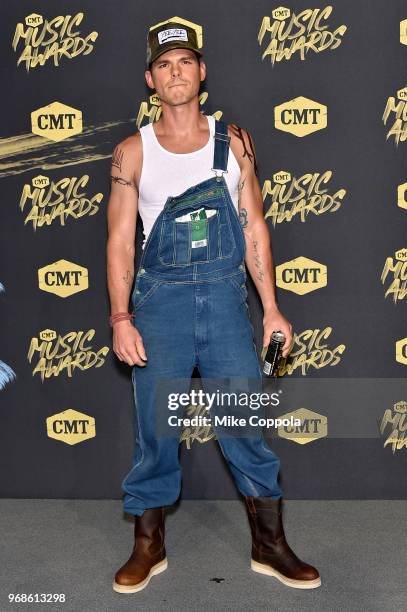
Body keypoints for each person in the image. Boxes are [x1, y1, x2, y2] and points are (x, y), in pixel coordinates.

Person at [106, 18, 321, 594]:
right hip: (159, 304)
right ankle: (149, 545)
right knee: (156, 431)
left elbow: (253, 226)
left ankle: (269, 545)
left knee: (243, 423)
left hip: (225, 300)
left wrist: (271, 308)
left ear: (201, 72)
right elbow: (121, 241)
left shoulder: (237, 143)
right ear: (150, 79)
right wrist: (121, 318)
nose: (175, 73)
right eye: (164, 65)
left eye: (185, 62)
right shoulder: (133, 152)